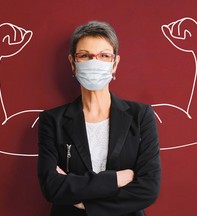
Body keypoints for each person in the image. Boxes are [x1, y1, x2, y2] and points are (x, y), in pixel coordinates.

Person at [37, 21, 161, 216]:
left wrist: (86, 203)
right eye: (85, 56)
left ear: (115, 63)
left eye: (104, 56)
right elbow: (52, 187)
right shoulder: (53, 121)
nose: (95, 62)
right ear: (73, 63)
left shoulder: (140, 116)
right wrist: (117, 179)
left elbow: (148, 189)